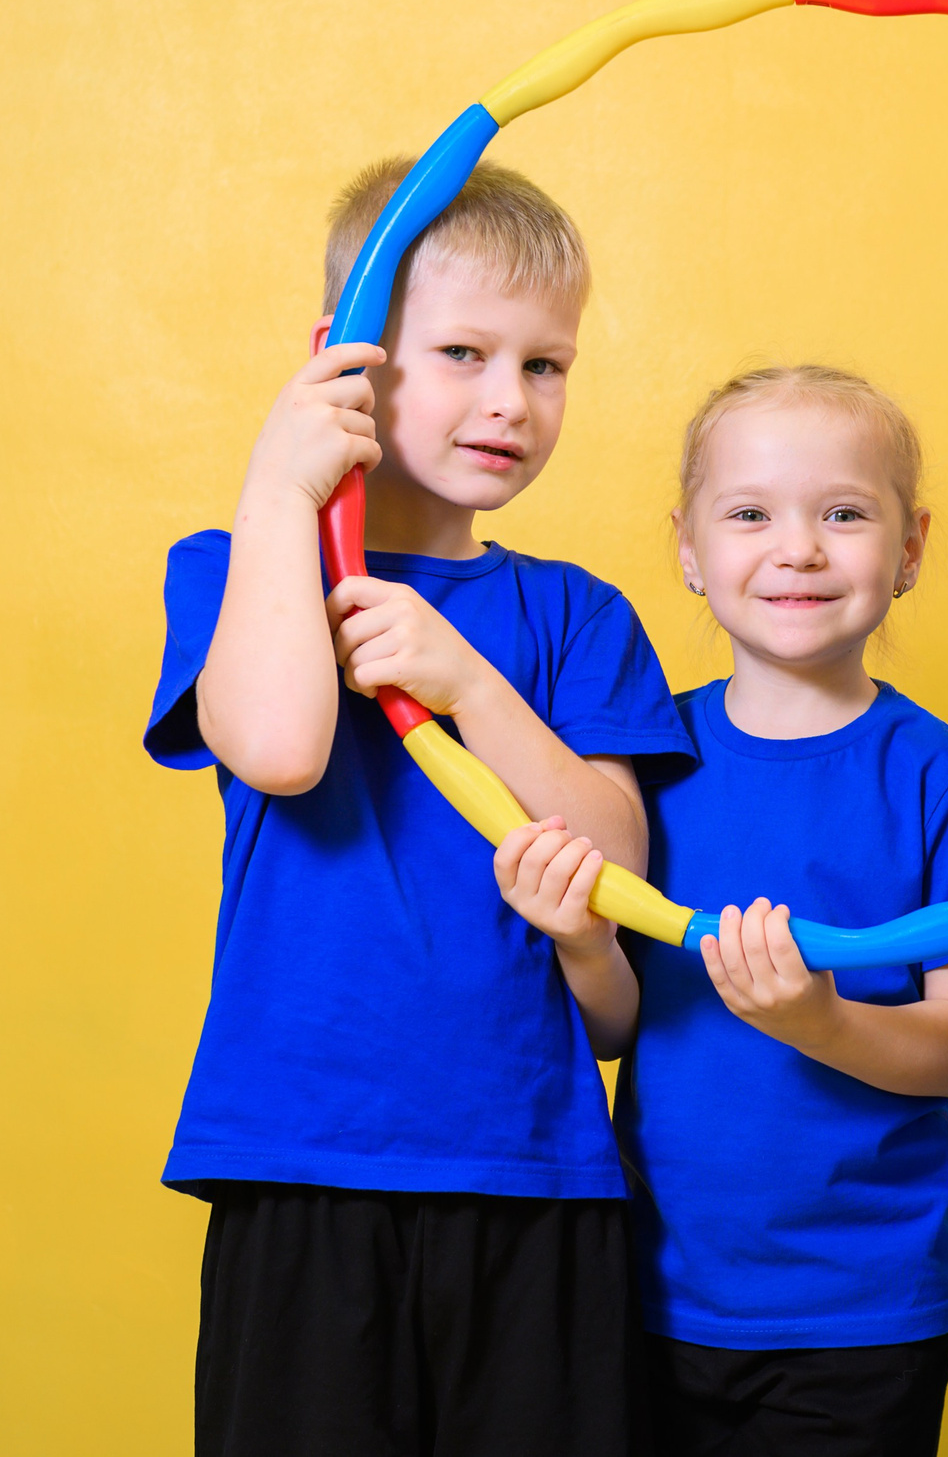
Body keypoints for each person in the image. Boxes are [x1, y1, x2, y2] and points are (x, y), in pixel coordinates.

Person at [143, 158, 693, 1457]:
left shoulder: (574, 615)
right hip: (305, 1163)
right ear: (344, 361)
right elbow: (278, 745)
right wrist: (283, 489)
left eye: (545, 364)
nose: (510, 399)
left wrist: (464, 678)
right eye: (461, 351)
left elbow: (617, 861)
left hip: (533, 1169)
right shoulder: (235, 568)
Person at [495, 366, 948, 1457]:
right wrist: (584, 941)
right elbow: (611, 1029)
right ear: (687, 545)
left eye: (843, 512)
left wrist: (823, 1023)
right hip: (649, 1287)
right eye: (749, 513)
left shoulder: (944, 775)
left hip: (864, 1306)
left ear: (909, 546)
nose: (799, 548)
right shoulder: (639, 760)